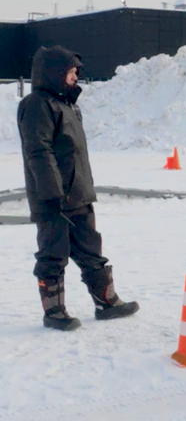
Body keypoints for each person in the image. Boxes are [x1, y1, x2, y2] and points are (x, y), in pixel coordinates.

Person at [17, 46, 138, 331]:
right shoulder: (37, 104)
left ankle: (106, 303)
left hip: (77, 194)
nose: (76, 78)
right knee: (53, 252)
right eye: (71, 72)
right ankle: (54, 313)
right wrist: (51, 193)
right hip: (53, 198)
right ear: (55, 73)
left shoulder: (66, 104)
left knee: (90, 248)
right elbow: (39, 151)